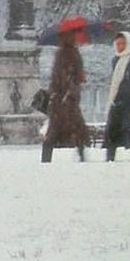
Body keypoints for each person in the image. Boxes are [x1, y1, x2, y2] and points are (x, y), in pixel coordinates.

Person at [41, 24, 90, 163]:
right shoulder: (71, 53)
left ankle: (46, 158)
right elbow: (69, 77)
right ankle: (81, 155)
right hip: (67, 99)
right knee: (74, 128)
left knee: (56, 129)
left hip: (62, 98)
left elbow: (60, 77)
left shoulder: (63, 53)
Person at [103, 31, 130, 161]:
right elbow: (115, 81)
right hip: (117, 99)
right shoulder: (116, 60)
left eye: (123, 43)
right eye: (117, 44)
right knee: (112, 128)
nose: (120, 46)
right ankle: (110, 157)